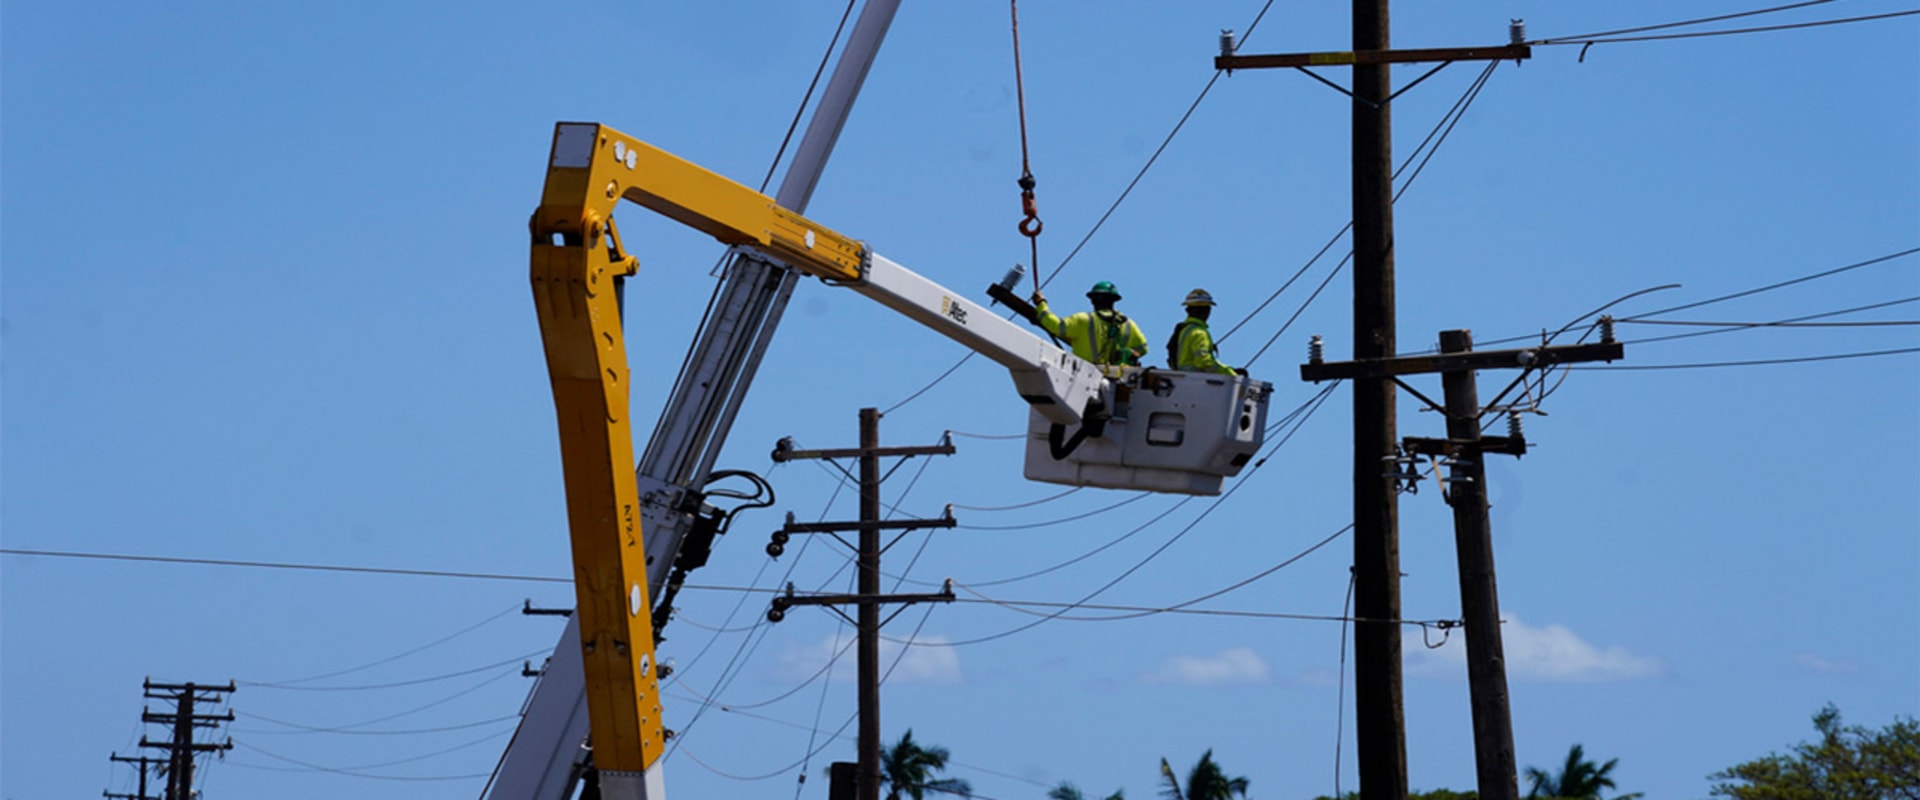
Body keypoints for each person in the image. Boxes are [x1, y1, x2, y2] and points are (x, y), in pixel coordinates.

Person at [1030, 280, 1149, 367]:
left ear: (1092, 300)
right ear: (1114, 300)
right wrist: (1127, 356)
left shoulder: (1084, 320)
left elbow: (1056, 326)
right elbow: (1143, 348)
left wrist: (1041, 304)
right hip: (1117, 377)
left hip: (1084, 376)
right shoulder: (1128, 324)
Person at [1167, 288, 1246, 376]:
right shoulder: (1199, 333)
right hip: (1198, 382)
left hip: (1181, 380)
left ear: (1187, 310)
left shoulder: (1183, 330)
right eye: (1206, 309)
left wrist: (1229, 369)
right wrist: (1230, 374)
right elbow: (1204, 362)